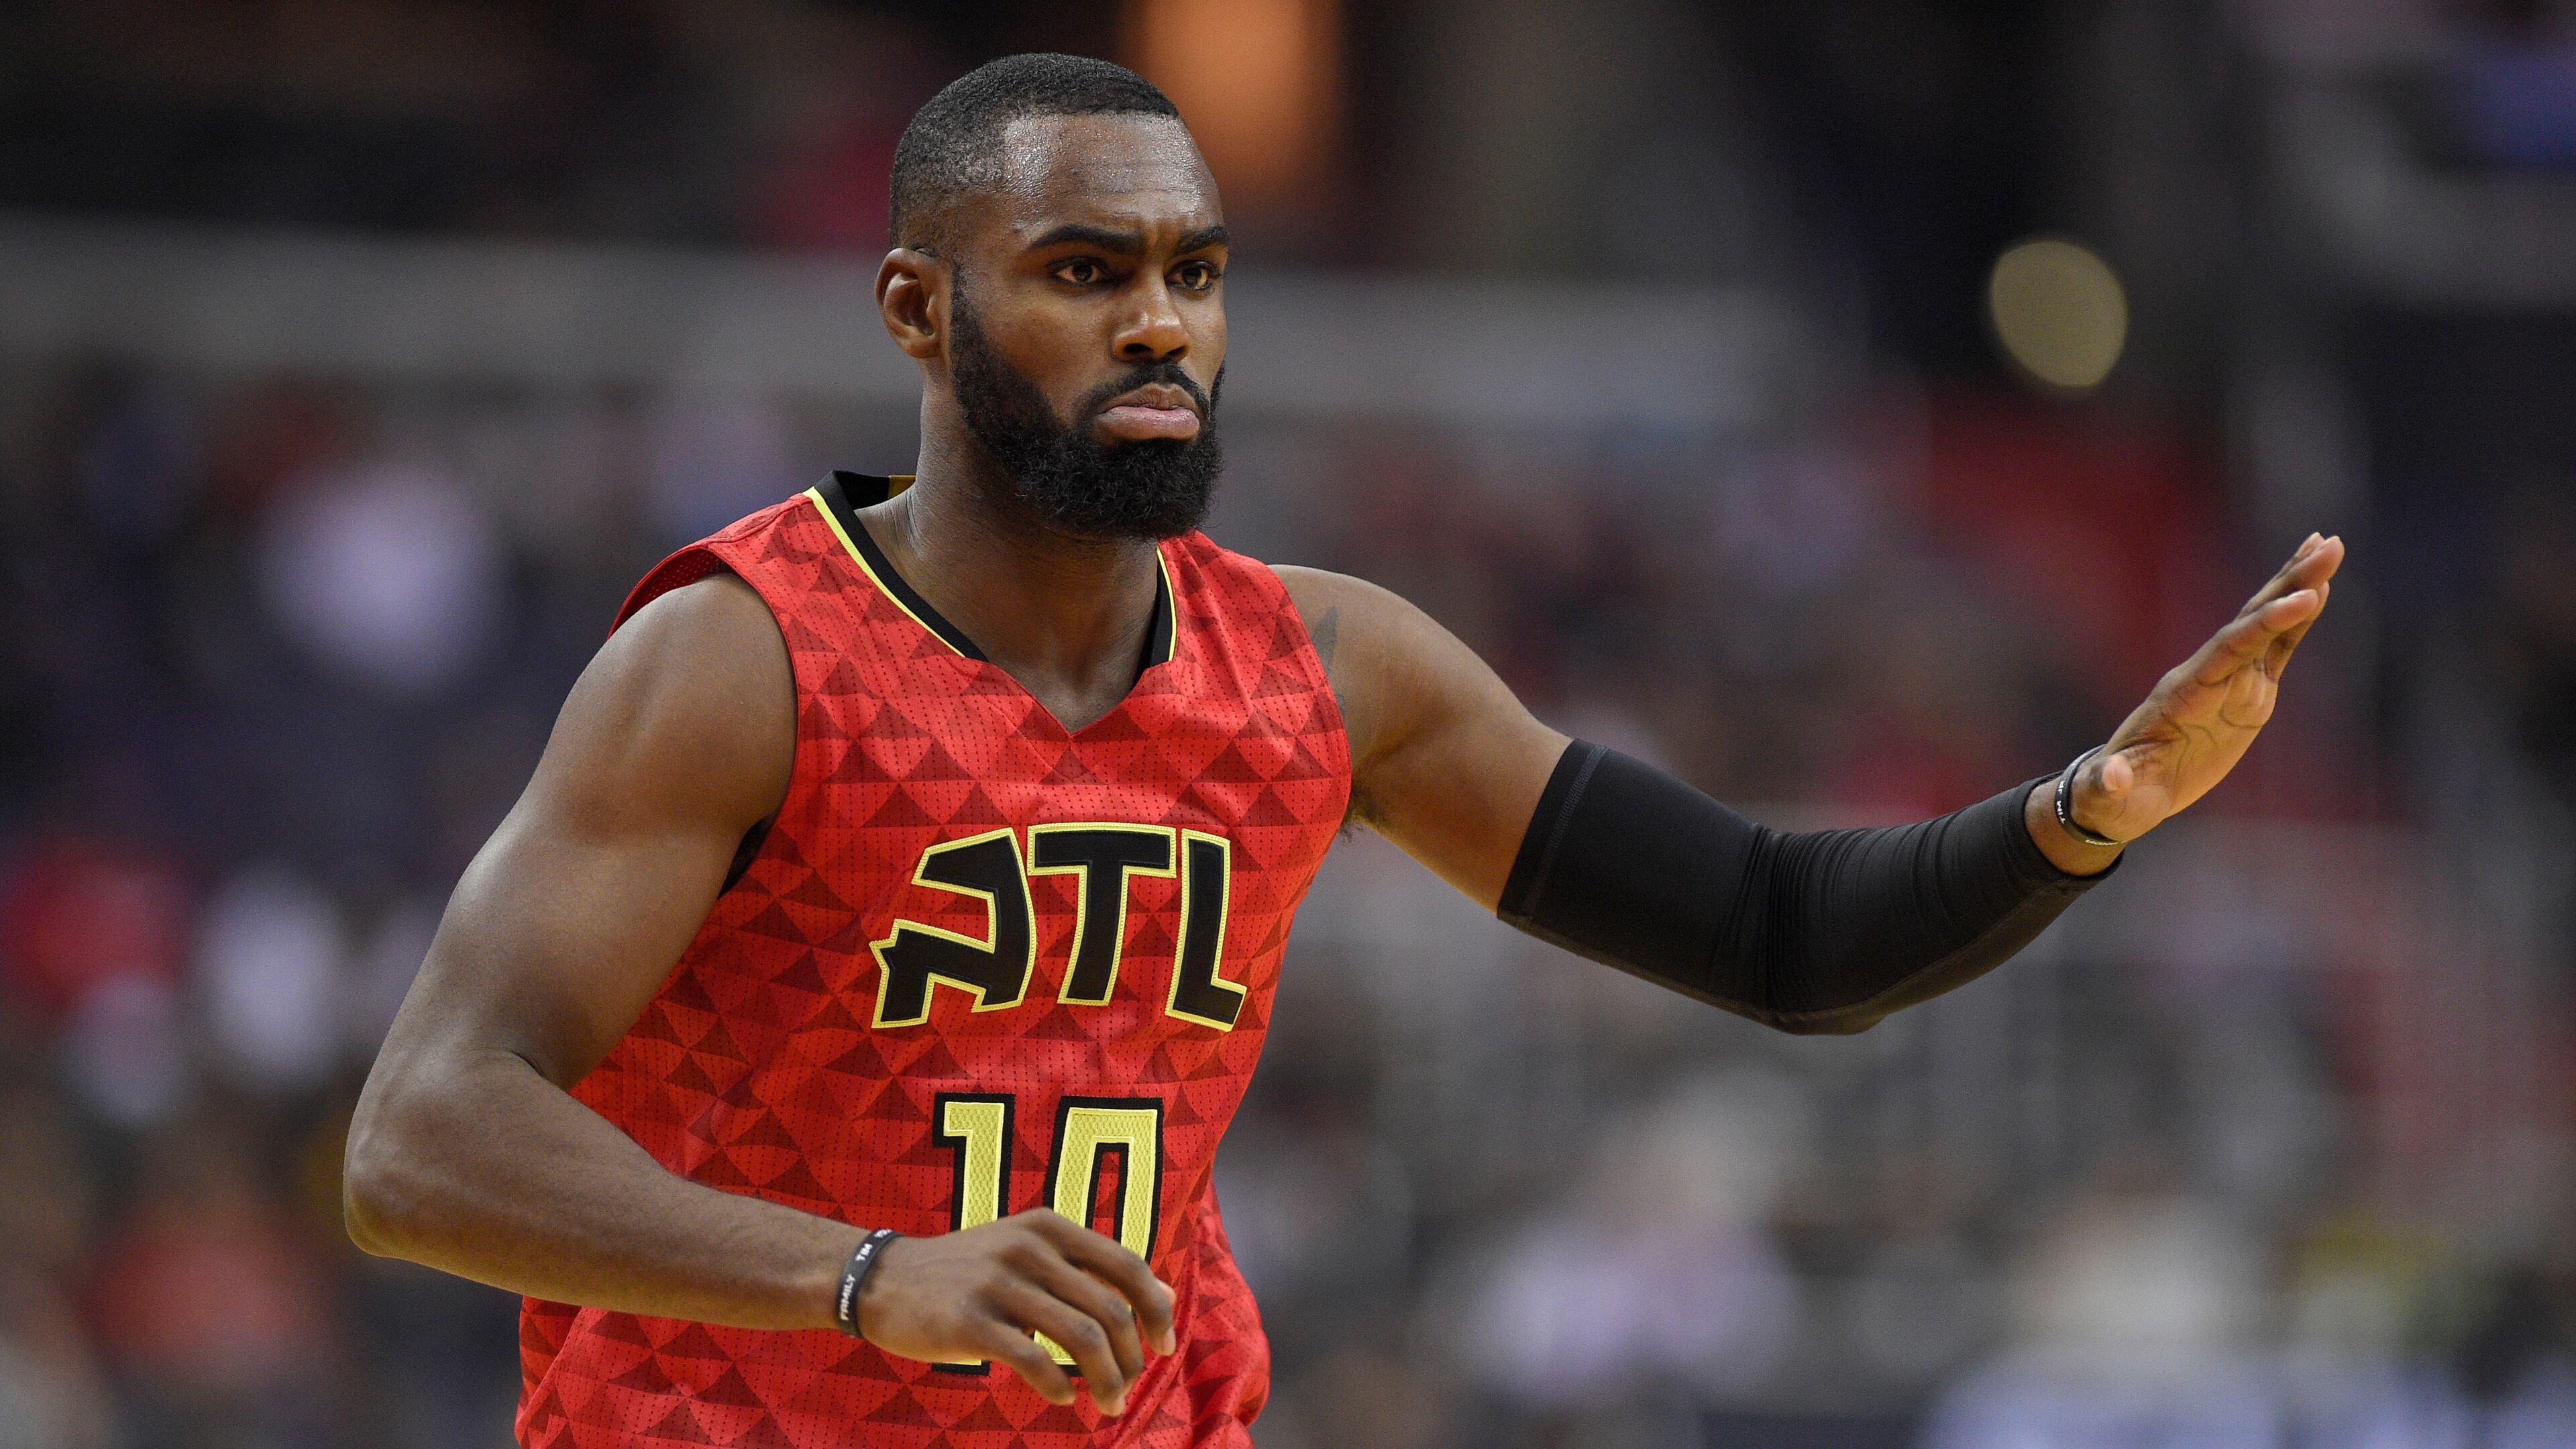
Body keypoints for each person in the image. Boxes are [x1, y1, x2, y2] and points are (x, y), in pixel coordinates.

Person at [343, 53, 2344, 1449]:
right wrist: (871, 1275)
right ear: (914, 308)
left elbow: (1777, 932)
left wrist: (2096, 809)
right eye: (1083, 272)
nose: (1160, 327)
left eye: (1194, 275)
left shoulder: (1329, 665)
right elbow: (418, 1142)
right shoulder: (740, 657)